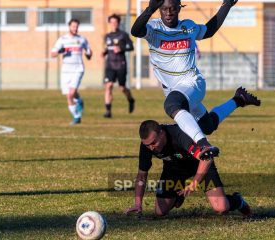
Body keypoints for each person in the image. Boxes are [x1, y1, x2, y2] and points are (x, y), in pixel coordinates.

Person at [131, 0, 251, 160]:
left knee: (171, 106)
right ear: (159, 9)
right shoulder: (153, 28)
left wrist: (227, 4)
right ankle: (238, 99)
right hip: (175, 91)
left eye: (172, 8)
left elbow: (209, 30)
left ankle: (203, 144)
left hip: (192, 83)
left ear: (179, 8)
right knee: (207, 125)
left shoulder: (189, 26)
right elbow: (135, 31)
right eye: (164, 9)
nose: (168, 12)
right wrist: (149, 9)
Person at [124, 120, 253, 218]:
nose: (151, 148)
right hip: (174, 168)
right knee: (160, 212)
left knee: (221, 208)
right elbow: (142, 175)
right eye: (147, 145)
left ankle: (237, 201)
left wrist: (194, 183)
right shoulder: (146, 146)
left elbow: (206, 158)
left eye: (153, 143)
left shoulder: (180, 135)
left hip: (200, 165)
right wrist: (138, 203)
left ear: (162, 133)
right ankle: (178, 195)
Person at [51, 19, 92, 125]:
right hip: (66, 71)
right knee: (69, 95)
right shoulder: (62, 39)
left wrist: (89, 53)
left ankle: (77, 116)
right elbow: (53, 54)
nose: (75, 28)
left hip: (78, 69)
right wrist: (60, 51)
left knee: (71, 93)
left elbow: (89, 55)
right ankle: (77, 110)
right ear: (69, 27)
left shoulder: (82, 39)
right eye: (73, 26)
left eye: (77, 26)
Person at [102, 14, 135, 118]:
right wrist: (104, 53)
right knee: (109, 85)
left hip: (121, 65)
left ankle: (130, 99)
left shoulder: (123, 35)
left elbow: (131, 47)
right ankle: (108, 111)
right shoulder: (107, 36)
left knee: (122, 88)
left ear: (118, 23)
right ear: (109, 23)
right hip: (110, 65)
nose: (113, 24)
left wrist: (121, 49)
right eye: (111, 22)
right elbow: (108, 48)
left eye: (115, 22)